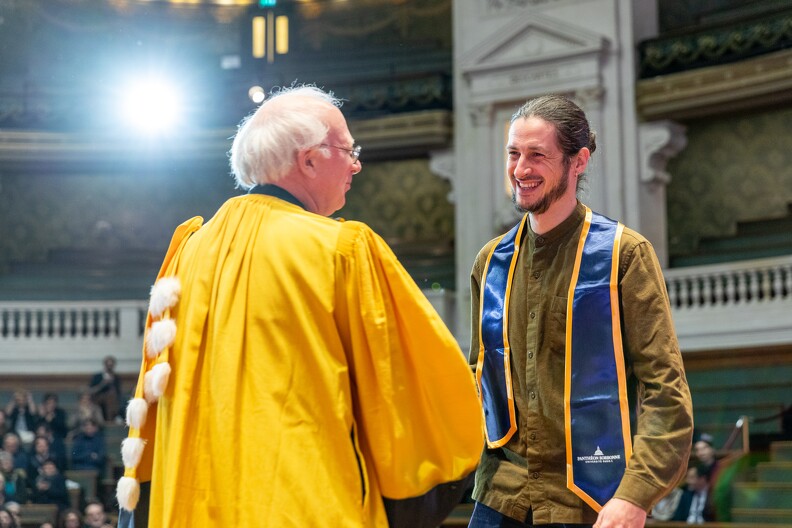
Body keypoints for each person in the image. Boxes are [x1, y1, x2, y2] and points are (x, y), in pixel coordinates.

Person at [114, 85, 483, 528]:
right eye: (348, 149)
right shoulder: (343, 249)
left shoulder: (186, 252)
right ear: (308, 160)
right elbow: (408, 394)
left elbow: (151, 410)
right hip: (303, 508)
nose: (357, 163)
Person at [468, 94, 694, 527]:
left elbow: (666, 392)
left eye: (538, 155)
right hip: (502, 496)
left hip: (592, 499)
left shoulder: (624, 255)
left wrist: (636, 495)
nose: (520, 169)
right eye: (513, 154)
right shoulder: (489, 263)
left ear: (579, 161)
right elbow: (479, 378)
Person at [87, 356, 122, 422]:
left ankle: (111, 419)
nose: (109, 367)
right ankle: (112, 418)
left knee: (112, 396)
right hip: (97, 398)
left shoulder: (116, 378)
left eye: (111, 365)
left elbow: (118, 392)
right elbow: (91, 390)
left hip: (112, 399)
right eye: (108, 365)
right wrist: (103, 383)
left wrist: (112, 384)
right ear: (105, 365)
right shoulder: (97, 376)